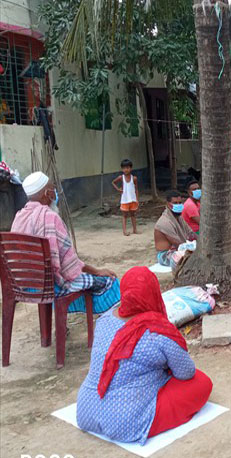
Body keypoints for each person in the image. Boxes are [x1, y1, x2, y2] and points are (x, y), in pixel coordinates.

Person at [76, 267, 212, 444]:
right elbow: (186, 373)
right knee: (200, 383)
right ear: (155, 293)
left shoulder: (104, 319)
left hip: (86, 410)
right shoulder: (158, 331)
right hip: (125, 422)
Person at [11, 171, 120, 314]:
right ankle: (106, 320)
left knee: (69, 277)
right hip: (50, 286)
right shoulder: (50, 218)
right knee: (110, 282)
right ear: (48, 193)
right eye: (53, 188)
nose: (55, 192)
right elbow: (69, 265)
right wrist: (98, 271)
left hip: (24, 284)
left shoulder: (19, 217)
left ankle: (63, 316)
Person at [154, 190, 196, 268]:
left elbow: (190, 233)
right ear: (168, 204)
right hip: (165, 255)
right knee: (190, 258)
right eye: (175, 203)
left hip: (178, 249)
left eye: (180, 203)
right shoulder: (164, 222)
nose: (179, 205)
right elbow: (179, 243)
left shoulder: (179, 218)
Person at [111, 159, 139, 236]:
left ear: (131, 168)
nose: (126, 170)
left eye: (127, 167)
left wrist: (137, 199)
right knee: (124, 216)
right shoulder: (121, 177)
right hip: (125, 200)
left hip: (132, 199)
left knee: (133, 215)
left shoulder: (134, 178)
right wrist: (118, 189)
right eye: (124, 168)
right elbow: (113, 182)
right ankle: (124, 231)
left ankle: (135, 229)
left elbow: (136, 189)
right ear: (122, 169)